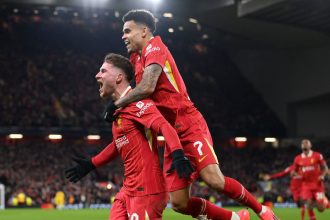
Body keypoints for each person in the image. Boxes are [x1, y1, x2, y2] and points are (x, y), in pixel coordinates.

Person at [104, 9, 278, 220]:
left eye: (127, 31)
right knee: (179, 203)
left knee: (214, 180)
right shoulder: (135, 58)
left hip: (188, 123)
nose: (123, 36)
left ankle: (262, 211)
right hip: (171, 135)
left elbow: (148, 87)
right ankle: (235, 218)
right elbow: (128, 84)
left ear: (144, 31)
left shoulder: (155, 47)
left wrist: (117, 105)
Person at [66, 53, 196, 219]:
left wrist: (178, 155)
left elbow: (164, 126)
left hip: (147, 190)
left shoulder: (138, 103)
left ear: (119, 77)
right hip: (128, 189)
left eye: (103, 71)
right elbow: (118, 143)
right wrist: (91, 163)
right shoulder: (118, 110)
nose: (97, 75)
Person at [293, 139, 329, 220]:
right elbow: (293, 172)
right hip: (306, 185)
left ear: (310, 145)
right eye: (303, 143)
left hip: (317, 185)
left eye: (306, 143)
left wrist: (322, 175)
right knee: (308, 204)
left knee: (321, 209)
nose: (305, 145)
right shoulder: (297, 159)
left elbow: (325, 168)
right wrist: (297, 175)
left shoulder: (317, 155)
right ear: (301, 146)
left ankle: (324, 200)